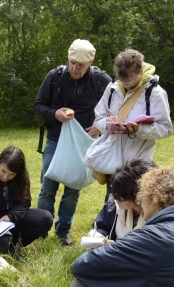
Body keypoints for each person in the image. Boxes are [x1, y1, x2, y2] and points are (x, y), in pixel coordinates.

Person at [34, 39, 112, 246]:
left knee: (72, 189)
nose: (75, 69)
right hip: (55, 140)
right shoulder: (55, 77)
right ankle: (41, 230)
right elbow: (38, 105)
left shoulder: (101, 80)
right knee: (47, 188)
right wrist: (54, 114)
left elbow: (114, 110)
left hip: (84, 143)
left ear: (91, 62)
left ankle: (63, 231)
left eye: (81, 65)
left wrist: (100, 126)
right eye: (72, 63)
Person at [93, 49, 173, 200]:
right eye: (122, 79)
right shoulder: (112, 89)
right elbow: (98, 117)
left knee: (136, 203)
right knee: (112, 201)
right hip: (113, 160)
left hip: (138, 163)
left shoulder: (155, 93)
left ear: (141, 71)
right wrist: (107, 124)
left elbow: (166, 129)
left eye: (130, 79)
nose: (126, 84)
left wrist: (139, 129)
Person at [92, 158, 157, 241]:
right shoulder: (113, 205)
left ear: (140, 196)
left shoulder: (160, 216)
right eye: (114, 191)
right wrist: (101, 241)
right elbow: (99, 229)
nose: (114, 197)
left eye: (121, 196)